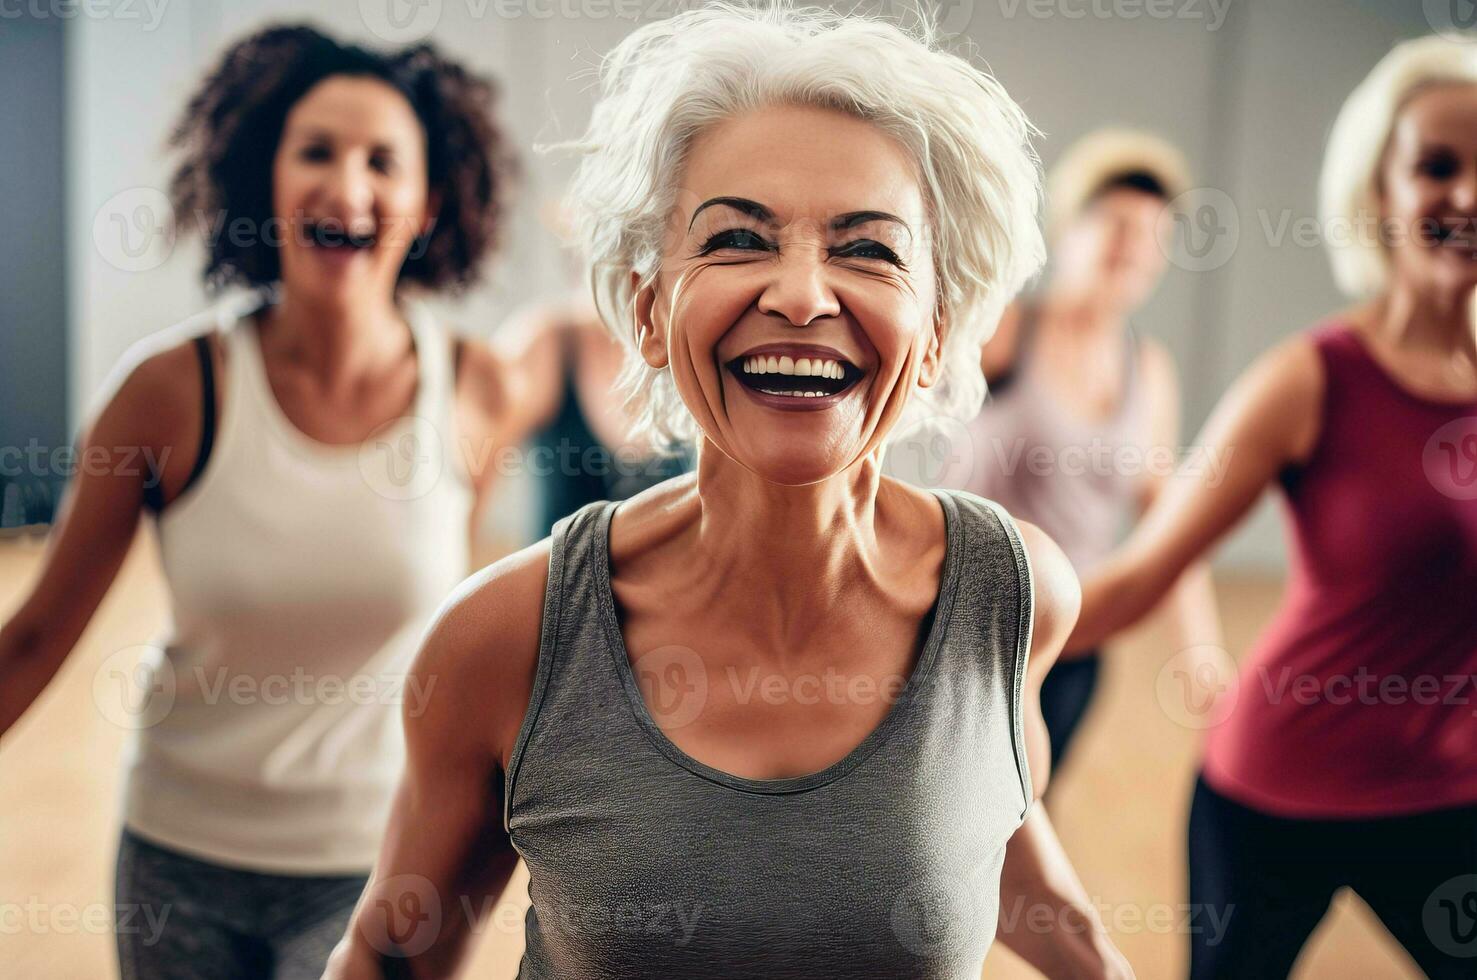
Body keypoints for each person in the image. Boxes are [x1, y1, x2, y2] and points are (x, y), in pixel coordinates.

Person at [326, 4, 1133, 978]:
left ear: (937, 331)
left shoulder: (1013, 596)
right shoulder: (504, 637)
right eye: (738, 239)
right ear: (647, 310)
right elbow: (391, 952)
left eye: (867, 248)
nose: (800, 294)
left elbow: (985, 829)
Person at [0, 24, 541, 979]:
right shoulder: (167, 392)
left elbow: (455, 643)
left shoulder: (477, 389)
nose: (348, 185)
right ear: (265, 183)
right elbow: (36, 638)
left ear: (426, 205)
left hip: (381, 865)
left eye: (384, 161)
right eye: (316, 152)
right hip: (179, 865)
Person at [1064, 35, 1477, 979]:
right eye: (1436, 167)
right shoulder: (1307, 379)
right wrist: (928, 642)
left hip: (1448, 798)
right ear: (1379, 193)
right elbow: (1139, 576)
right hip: (1274, 796)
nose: (1465, 195)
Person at [952, 129, 1222, 775]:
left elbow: (1168, 519)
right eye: (1117, 225)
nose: (1133, 248)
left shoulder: (1147, 369)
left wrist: (1199, 647)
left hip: (1074, 640)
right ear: (1068, 229)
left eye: (1152, 236)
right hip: (967, 630)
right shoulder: (1005, 329)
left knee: (1030, 809)